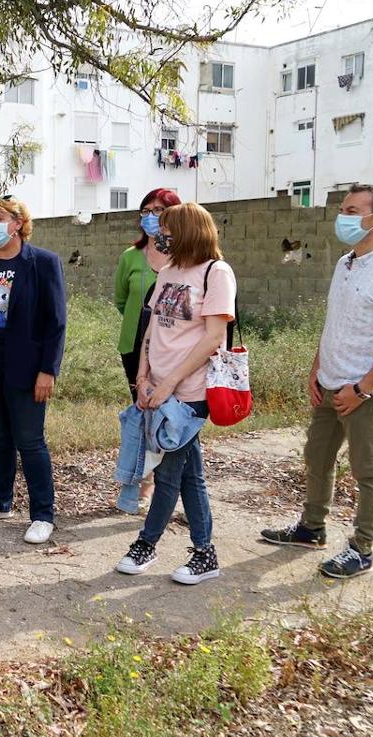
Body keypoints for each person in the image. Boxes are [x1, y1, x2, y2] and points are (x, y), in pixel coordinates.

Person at [260, 185, 373, 579]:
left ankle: (362, 548)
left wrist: (363, 387)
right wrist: (317, 367)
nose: (343, 217)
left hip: (366, 393)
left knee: (368, 470)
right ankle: (311, 528)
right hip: (331, 383)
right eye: (343, 209)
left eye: (352, 210)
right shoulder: (346, 262)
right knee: (317, 458)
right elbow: (336, 322)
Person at [114, 202, 235, 584]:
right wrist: (144, 375)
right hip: (157, 388)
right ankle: (205, 553)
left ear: (187, 231)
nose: (159, 233)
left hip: (190, 393)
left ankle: (146, 544)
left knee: (168, 473)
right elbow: (152, 329)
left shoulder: (216, 273)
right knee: (189, 474)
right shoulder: (168, 271)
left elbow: (214, 337)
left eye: (167, 227)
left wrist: (169, 385)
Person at [0, 196, 66, 544]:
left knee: (30, 441)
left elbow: (56, 322)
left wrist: (48, 370)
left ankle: (43, 513)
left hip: (26, 366)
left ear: (18, 223)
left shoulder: (42, 263)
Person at [113, 189, 181, 512]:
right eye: (146, 210)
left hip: (173, 352)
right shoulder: (130, 256)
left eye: (159, 209)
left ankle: (170, 480)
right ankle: (146, 481)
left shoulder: (184, 256)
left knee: (171, 415)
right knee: (143, 415)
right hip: (134, 345)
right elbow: (121, 300)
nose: (151, 216)